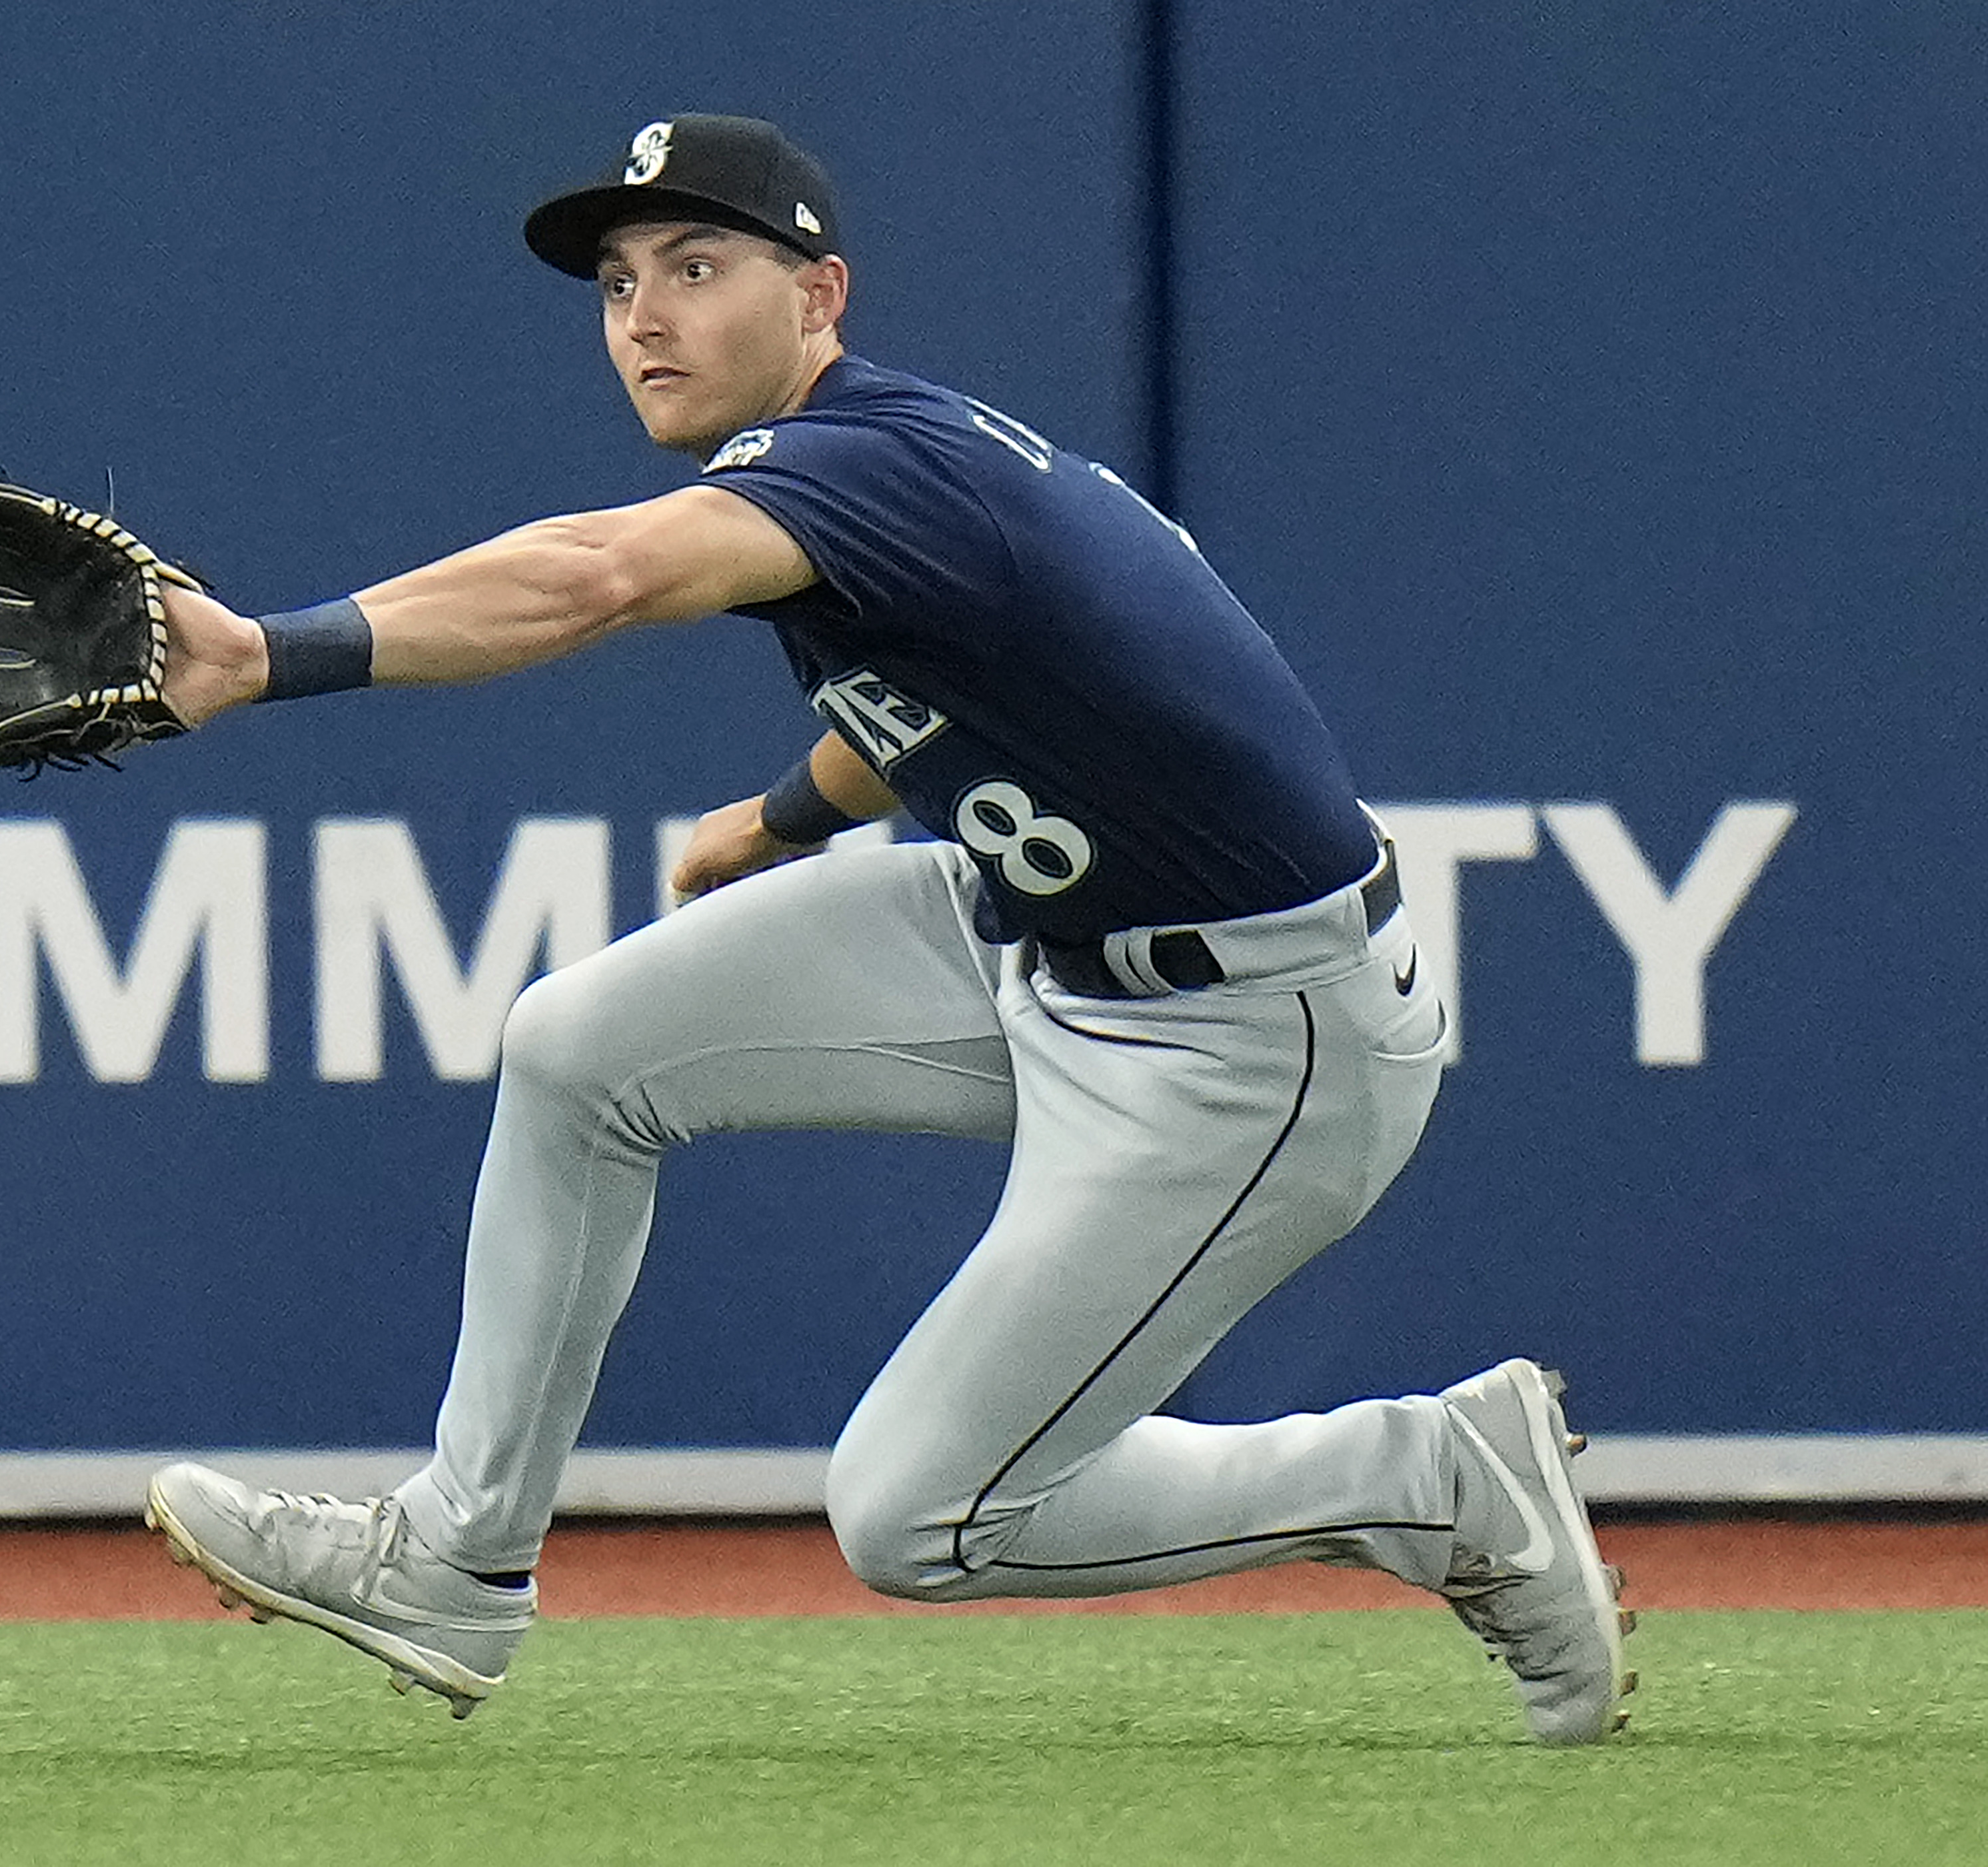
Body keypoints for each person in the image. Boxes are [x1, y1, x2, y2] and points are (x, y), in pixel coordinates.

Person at [136, 115, 1631, 1743]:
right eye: (622, 281)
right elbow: (980, 673)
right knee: (581, 1052)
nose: (645, 315)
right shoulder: (885, 468)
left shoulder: (873, 462)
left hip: (1255, 1038)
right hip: (1036, 939)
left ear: (820, 296)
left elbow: (596, 577)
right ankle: (451, 1561)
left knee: (920, 1516)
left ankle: (1433, 1478)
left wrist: (262, 656)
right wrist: (792, 816)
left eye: (699, 269)